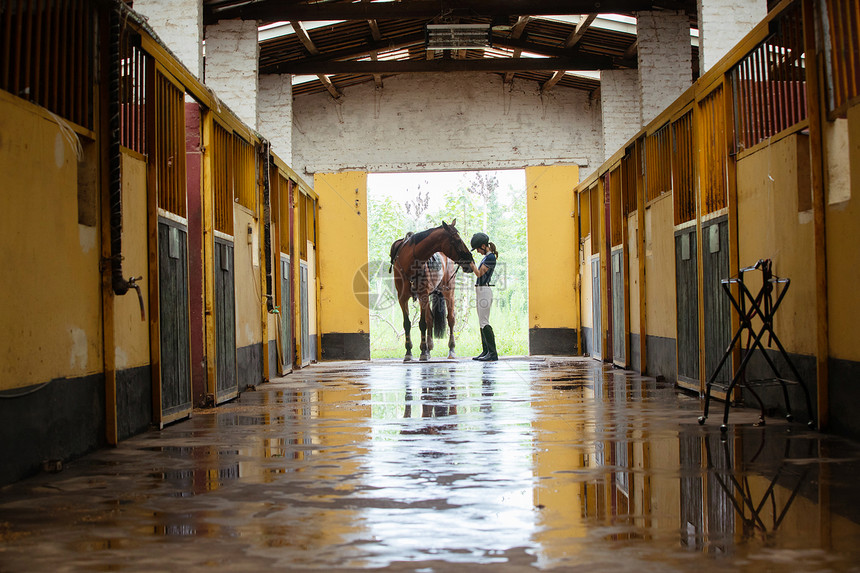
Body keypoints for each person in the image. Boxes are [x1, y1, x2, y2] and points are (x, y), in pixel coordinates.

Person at [468, 232, 498, 362]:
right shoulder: (486, 257)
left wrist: (471, 263)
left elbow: (479, 274)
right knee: (481, 322)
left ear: (484, 246)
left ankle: (492, 353)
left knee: (484, 321)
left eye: (478, 249)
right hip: (480, 290)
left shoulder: (490, 257)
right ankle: (486, 351)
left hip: (485, 290)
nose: (478, 252)